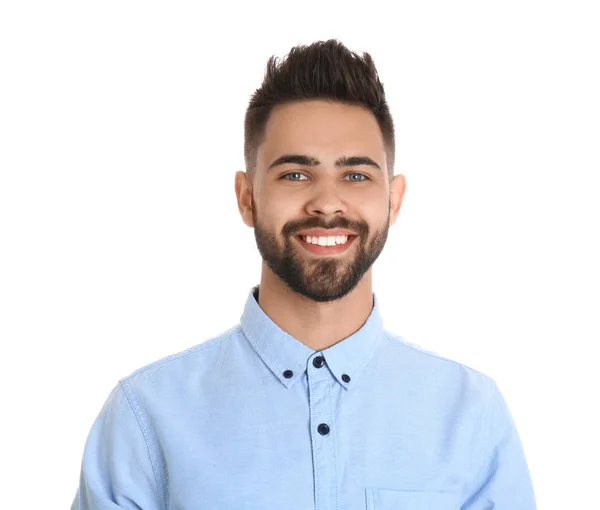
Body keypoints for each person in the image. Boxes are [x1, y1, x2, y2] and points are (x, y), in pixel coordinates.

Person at [71, 39, 536, 509]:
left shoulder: (471, 414)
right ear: (246, 197)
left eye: (356, 175)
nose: (327, 203)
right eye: (295, 174)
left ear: (393, 201)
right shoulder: (146, 415)